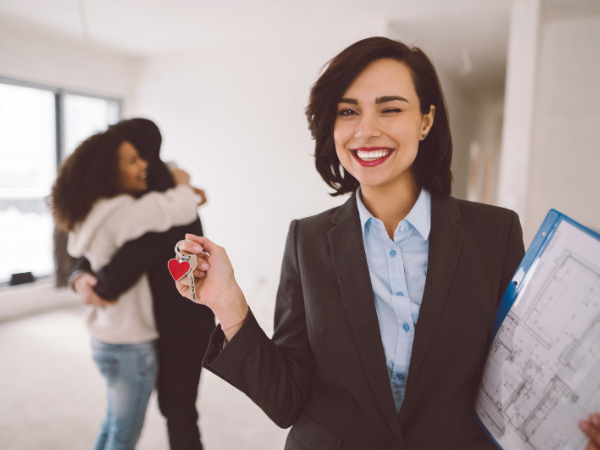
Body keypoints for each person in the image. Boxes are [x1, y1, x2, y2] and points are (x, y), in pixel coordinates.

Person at [174, 37, 600, 450]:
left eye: (390, 109)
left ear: (426, 120)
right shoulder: (307, 240)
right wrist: (228, 304)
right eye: (347, 112)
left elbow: (525, 376)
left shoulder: (496, 232)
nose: (366, 130)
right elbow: (287, 401)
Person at [69, 118, 214, 450]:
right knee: (145, 416)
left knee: (177, 414)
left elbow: (111, 280)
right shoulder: (150, 201)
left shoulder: (163, 210)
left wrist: (88, 281)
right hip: (151, 329)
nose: (137, 163)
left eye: (134, 155)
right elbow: (95, 253)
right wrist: (78, 277)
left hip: (182, 327)